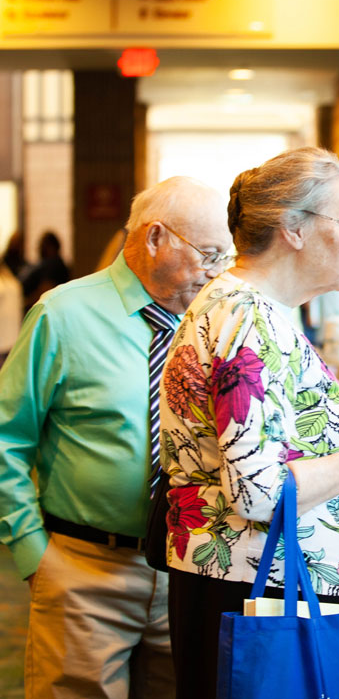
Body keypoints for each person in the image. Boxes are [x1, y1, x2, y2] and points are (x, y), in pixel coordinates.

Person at [159, 148, 339, 699]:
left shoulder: (245, 309)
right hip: (262, 598)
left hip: (264, 589)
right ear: (294, 228)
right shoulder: (246, 317)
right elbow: (259, 494)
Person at [0, 176, 231, 699]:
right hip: (84, 570)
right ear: (154, 239)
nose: (218, 271)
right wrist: (33, 552)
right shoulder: (62, 316)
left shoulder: (213, 323)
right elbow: (5, 440)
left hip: (187, 570)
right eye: (210, 254)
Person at [21, 231, 71, 312]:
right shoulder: (50, 263)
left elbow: (45, 291)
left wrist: (23, 304)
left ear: (51, 247)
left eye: (42, 245)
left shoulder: (53, 264)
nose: (38, 248)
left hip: (37, 309)